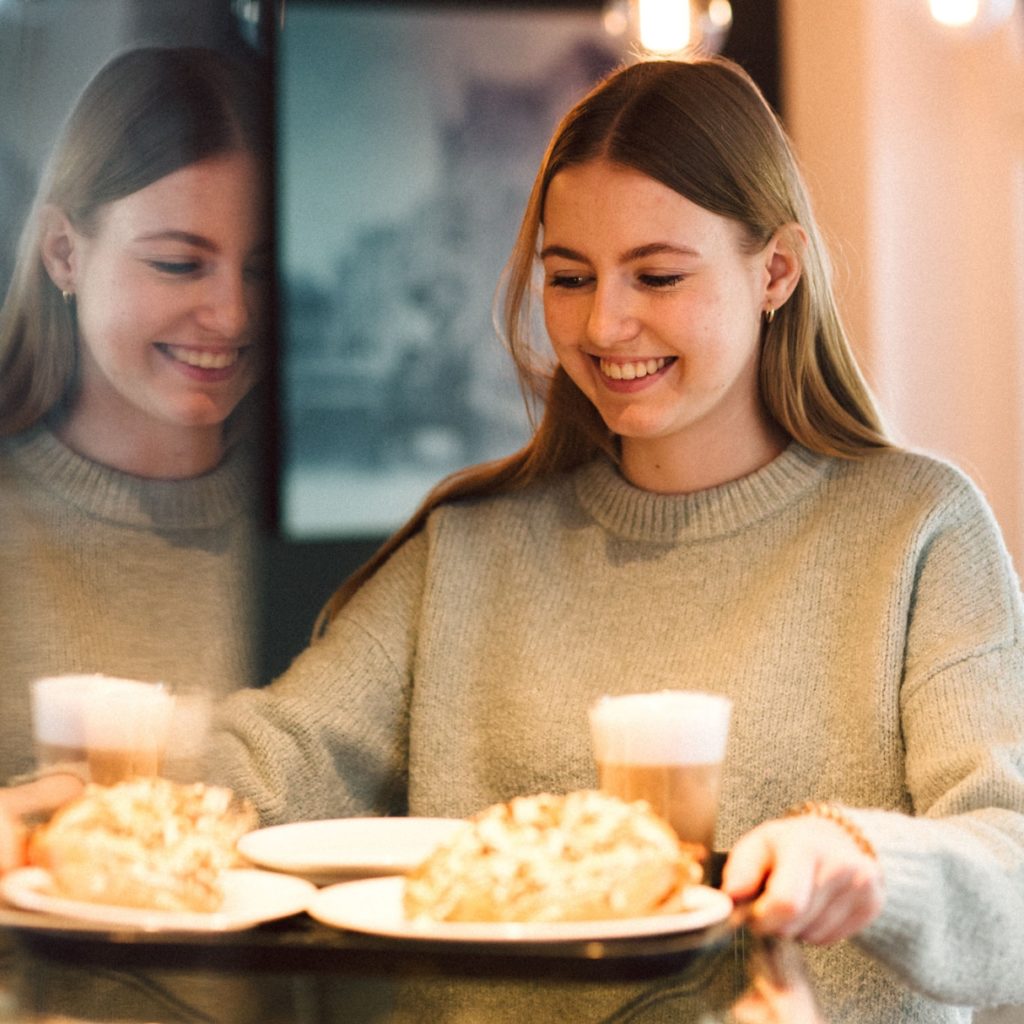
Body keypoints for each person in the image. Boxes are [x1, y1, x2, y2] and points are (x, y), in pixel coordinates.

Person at [203, 56, 1024, 1023]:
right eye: (569, 277)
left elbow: (1009, 871)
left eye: (658, 274)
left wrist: (865, 858)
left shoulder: (918, 531)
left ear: (776, 271)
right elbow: (268, 764)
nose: (603, 323)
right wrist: (58, 803)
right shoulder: (469, 553)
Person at [0, 45, 279, 1022]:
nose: (231, 313)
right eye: (178, 261)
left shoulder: (327, 526)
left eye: (262, 266)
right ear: (65, 251)